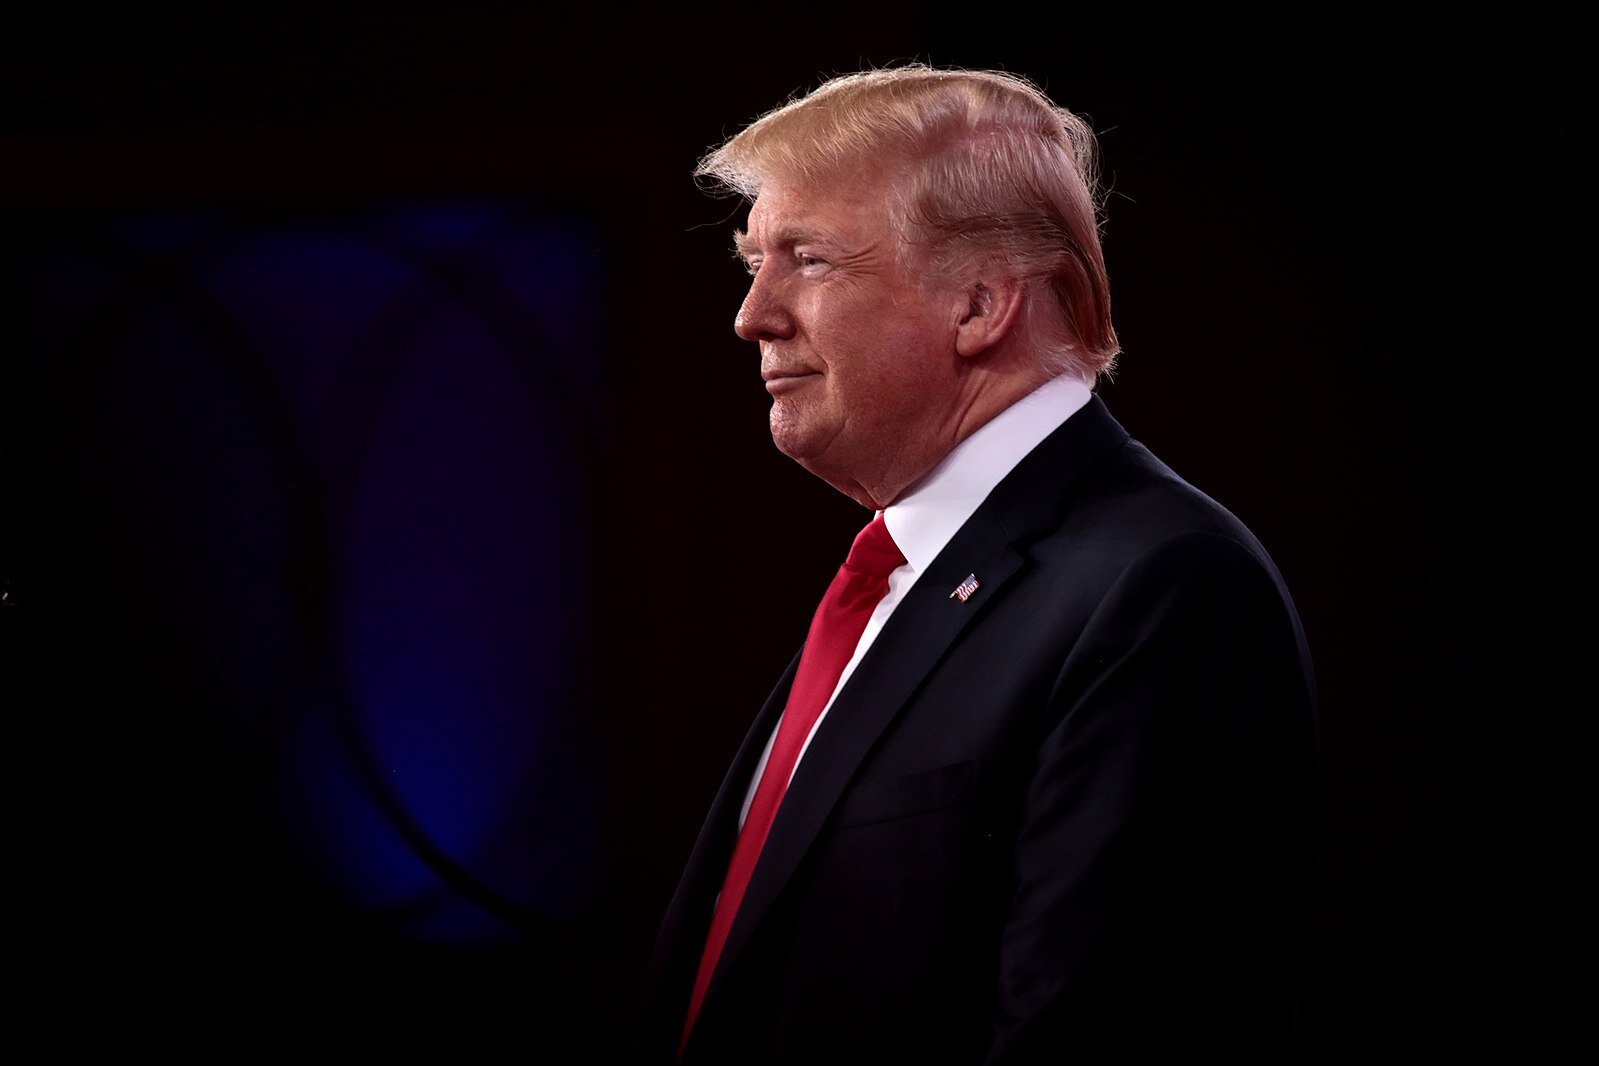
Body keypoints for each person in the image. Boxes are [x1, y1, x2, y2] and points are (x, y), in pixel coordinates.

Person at [637, 66, 1317, 1064]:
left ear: (982, 302)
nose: (753, 314)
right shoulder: (904, 570)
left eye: (807, 258)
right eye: (752, 261)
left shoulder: (1160, 585)